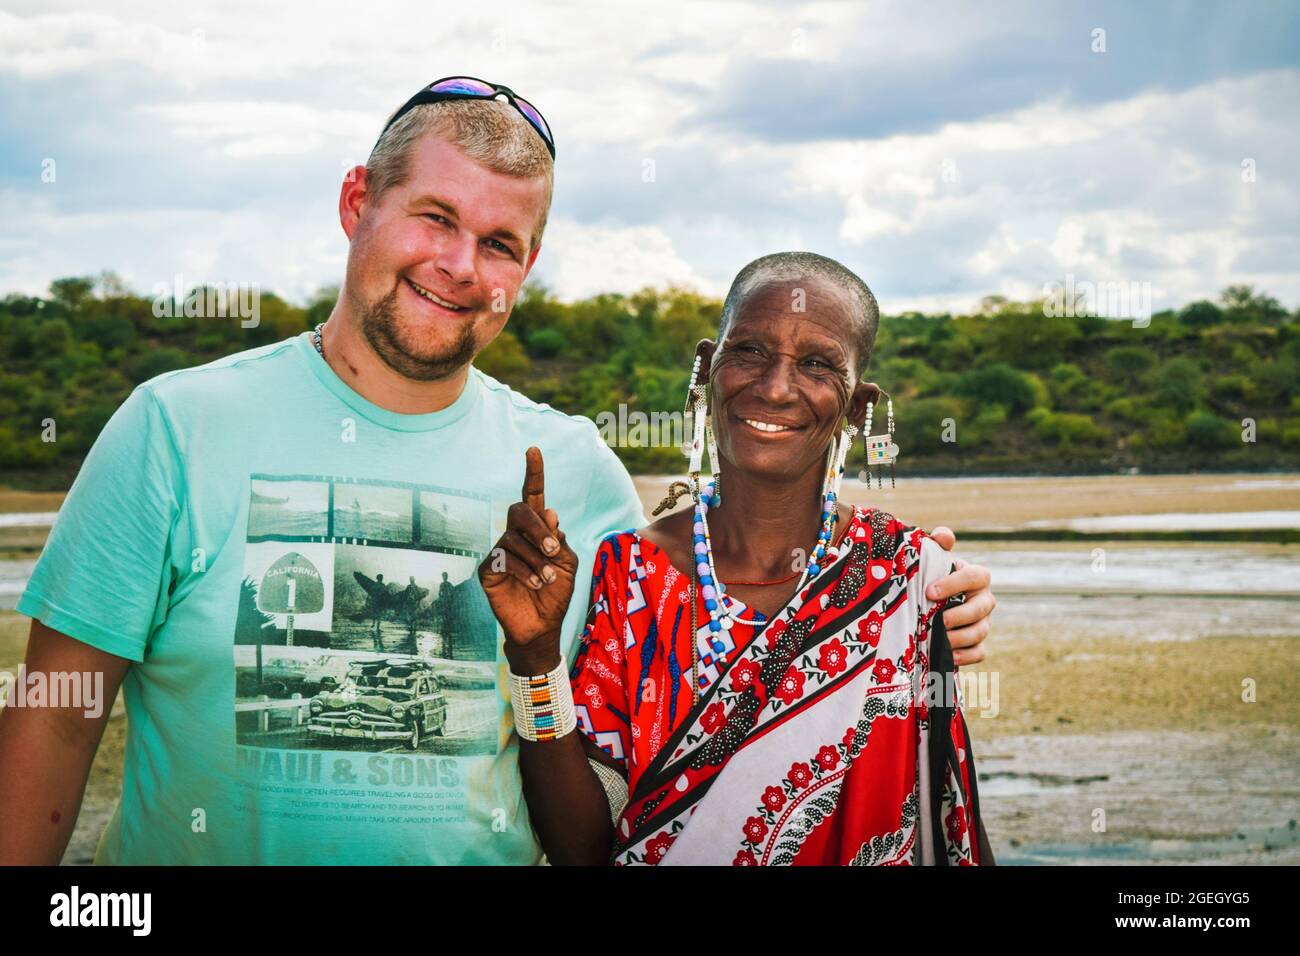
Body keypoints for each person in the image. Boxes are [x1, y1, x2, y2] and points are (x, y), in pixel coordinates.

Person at [0, 76, 994, 866]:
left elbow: (716, 611)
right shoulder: (177, 426)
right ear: (358, 202)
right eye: (434, 217)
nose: (460, 264)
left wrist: (907, 591)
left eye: (499, 242)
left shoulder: (576, 470)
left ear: (528, 264)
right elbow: (54, 721)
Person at [485, 252, 994, 865]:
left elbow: (950, 816)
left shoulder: (908, 578)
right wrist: (535, 655)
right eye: (750, 351)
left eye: (816, 364)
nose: (776, 387)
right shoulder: (632, 573)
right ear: (707, 367)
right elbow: (580, 848)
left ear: (858, 406)